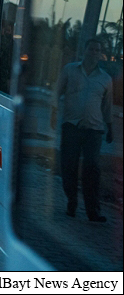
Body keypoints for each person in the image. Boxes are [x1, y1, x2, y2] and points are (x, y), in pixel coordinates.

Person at [52, 38, 113, 223]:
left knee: (92, 167)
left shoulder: (105, 79)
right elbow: (56, 92)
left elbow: (107, 106)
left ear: (100, 54)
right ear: (85, 50)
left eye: (98, 50)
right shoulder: (70, 70)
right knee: (68, 165)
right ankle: (71, 200)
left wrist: (110, 128)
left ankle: (93, 211)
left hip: (94, 130)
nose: (94, 52)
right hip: (71, 126)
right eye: (91, 49)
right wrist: (53, 114)